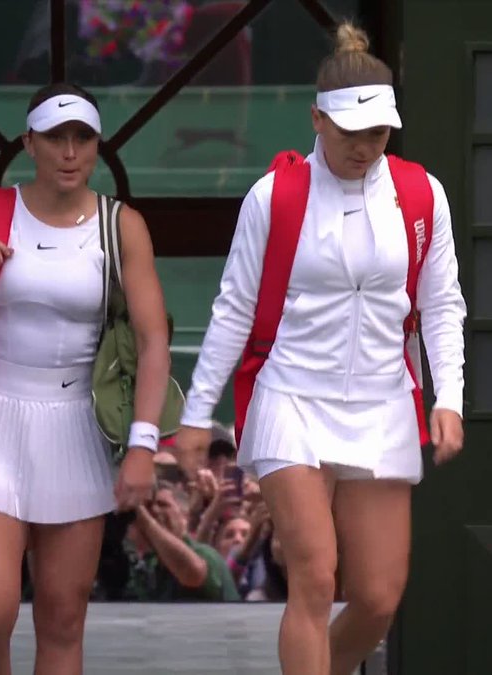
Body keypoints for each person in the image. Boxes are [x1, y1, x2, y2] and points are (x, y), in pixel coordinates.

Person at [173, 22, 467, 675]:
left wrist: (449, 396)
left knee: (378, 597)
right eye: (349, 132)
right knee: (314, 572)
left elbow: (443, 303)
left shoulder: (422, 194)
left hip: (383, 402)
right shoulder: (273, 196)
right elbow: (232, 310)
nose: (364, 147)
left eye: (378, 133)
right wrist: (196, 414)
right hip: (292, 397)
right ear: (316, 120)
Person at [0, 82, 171, 674]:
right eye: (54, 138)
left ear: (97, 144)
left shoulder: (122, 225)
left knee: (63, 616)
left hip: (76, 425)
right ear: (29, 143)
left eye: (82, 138)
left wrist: (143, 446)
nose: (69, 152)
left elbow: (153, 341)